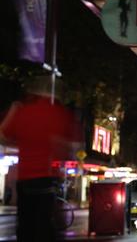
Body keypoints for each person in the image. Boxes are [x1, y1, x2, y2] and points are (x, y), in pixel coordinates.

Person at [0, 76, 75, 241]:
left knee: (25, 226)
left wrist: (14, 111)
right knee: (46, 226)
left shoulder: (23, 112)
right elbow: (69, 147)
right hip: (48, 178)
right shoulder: (59, 113)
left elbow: (3, 136)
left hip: (25, 180)